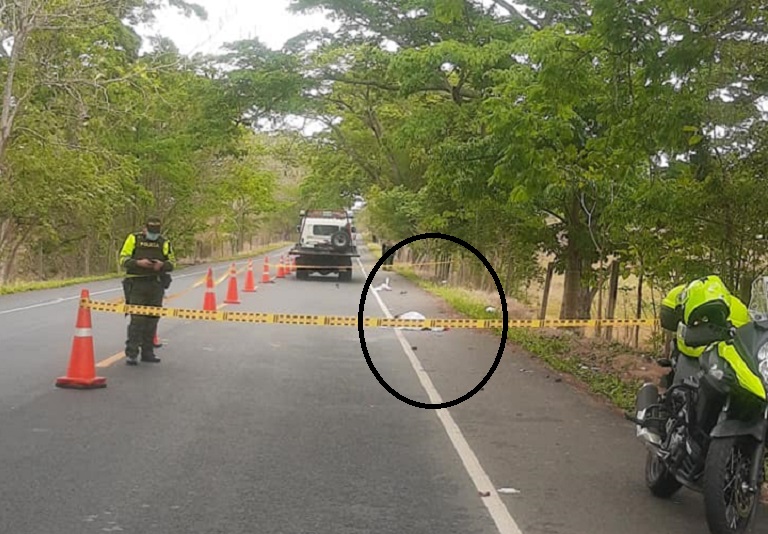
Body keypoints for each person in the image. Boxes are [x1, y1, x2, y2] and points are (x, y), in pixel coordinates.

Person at [119, 215, 175, 365]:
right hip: (136, 284)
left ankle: (147, 352)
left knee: (152, 320)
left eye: (156, 231)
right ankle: (132, 353)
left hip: (155, 284)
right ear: (144, 229)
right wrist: (138, 263)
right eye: (151, 231)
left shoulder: (164, 242)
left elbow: (172, 262)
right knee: (137, 319)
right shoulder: (134, 239)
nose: (153, 234)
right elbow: (123, 259)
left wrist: (161, 265)